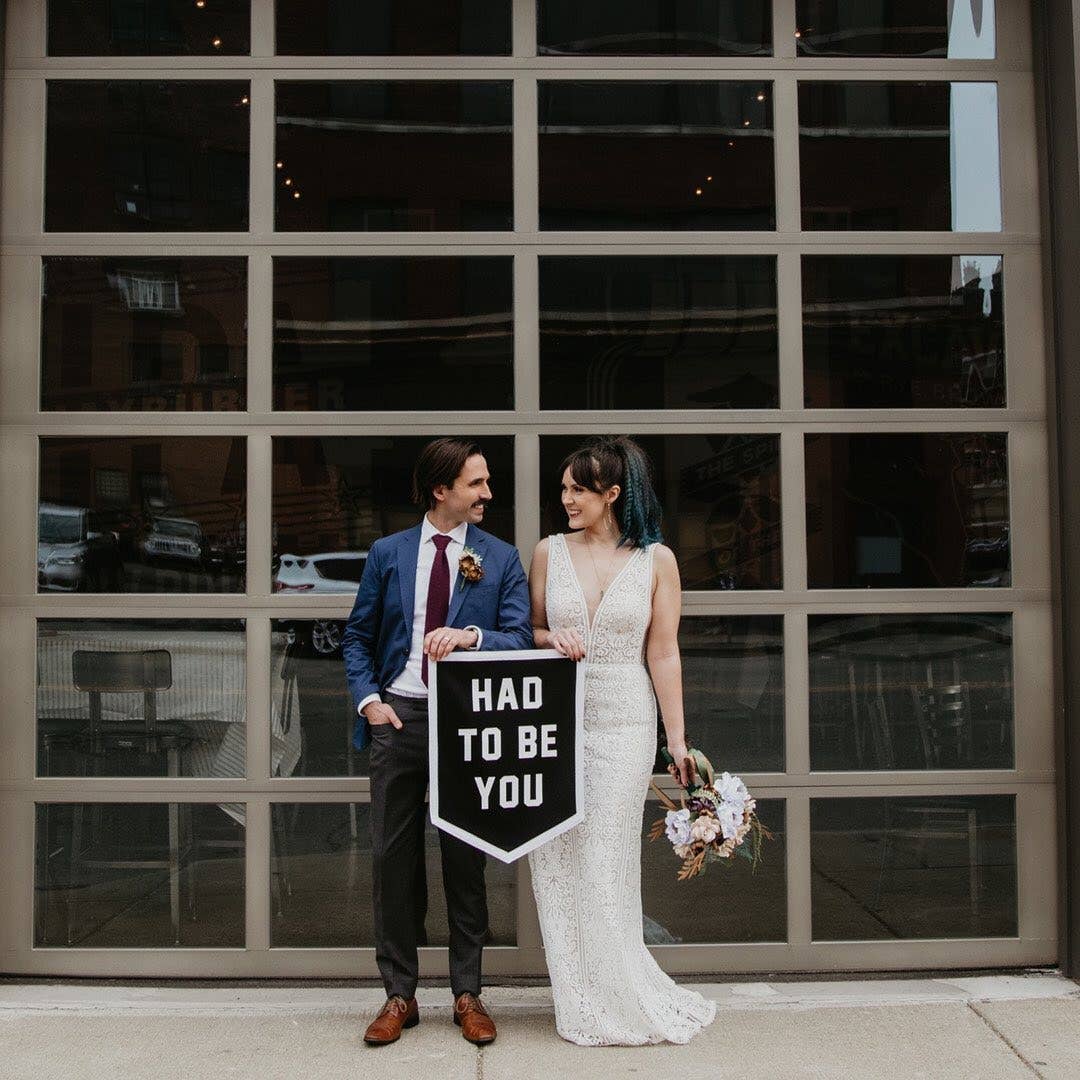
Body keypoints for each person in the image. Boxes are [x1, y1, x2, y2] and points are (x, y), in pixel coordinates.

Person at [527, 435, 717, 1045]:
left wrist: (677, 742)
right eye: (563, 489)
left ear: (612, 494)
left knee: (606, 856)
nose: (566, 499)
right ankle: (578, 996)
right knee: (556, 857)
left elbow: (663, 652)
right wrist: (550, 640)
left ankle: (620, 993)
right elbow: (529, 628)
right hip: (554, 721)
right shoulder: (548, 552)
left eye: (578, 490)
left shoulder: (657, 560)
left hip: (624, 722)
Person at [342, 437, 532, 1048]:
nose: (487, 493)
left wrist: (472, 636)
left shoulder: (499, 557)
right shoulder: (388, 553)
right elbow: (357, 637)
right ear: (440, 489)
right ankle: (399, 995)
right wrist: (370, 702)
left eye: (486, 481)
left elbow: (519, 636)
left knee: (465, 860)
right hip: (397, 720)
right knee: (392, 861)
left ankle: (467, 993)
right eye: (476, 483)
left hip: (466, 724)